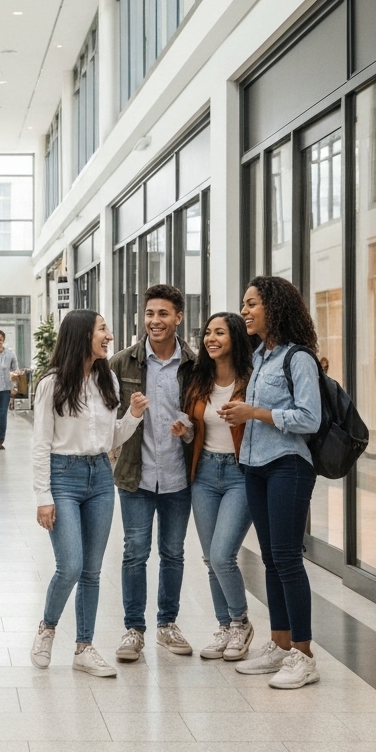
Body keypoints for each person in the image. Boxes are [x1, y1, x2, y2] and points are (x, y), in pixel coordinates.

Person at [219, 276, 323, 689]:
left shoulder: (298, 359)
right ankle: (279, 645)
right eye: (243, 305)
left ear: (274, 307)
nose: (244, 311)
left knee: (288, 558)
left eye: (251, 304)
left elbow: (309, 418)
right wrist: (241, 414)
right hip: (256, 465)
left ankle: (304, 653)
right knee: (269, 559)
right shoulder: (260, 356)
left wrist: (254, 413)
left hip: (288, 465)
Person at [30, 310, 146, 677]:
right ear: (82, 335)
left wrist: (133, 416)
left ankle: (84, 647)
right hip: (63, 476)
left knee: (93, 571)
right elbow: (39, 444)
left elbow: (111, 440)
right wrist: (42, 497)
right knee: (71, 566)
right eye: (102, 329)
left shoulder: (106, 377)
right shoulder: (52, 383)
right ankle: (47, 628)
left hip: (100, 476)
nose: (109, 336)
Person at [108, 284, 196, 663]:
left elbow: (201, 417)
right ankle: (133, 630)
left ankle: (167, 624)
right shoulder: (121, 363)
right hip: (136, 476)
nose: (154, 321)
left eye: (163, 314)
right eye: (149, 314)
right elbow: (105, 417)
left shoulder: (194, 365)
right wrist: (129, 414)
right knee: (135, 553)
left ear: (178, 317)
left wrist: (187, 429)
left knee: (173, 554)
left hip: (178, 475)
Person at [175, 312, 255, 661]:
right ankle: (224, 627)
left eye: (219, 332)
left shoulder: (252, 380)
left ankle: (241, 623)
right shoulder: (200, 380)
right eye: (208, 332)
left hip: (240, 474)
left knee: (223, 554)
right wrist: (186, 432)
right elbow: (195, 428)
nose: (211, 338)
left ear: (235, 338)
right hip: (205, 473)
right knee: (211, 559)